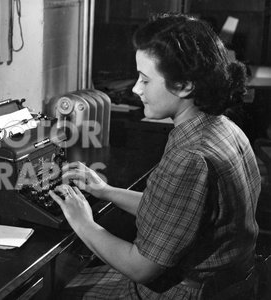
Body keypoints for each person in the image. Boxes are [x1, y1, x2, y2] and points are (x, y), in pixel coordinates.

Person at [49, 13, 261, 299]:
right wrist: (106, 191)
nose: (136, 89)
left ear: (185, 85)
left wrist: (83, 221)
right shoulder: (223, 127)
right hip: (233, 285)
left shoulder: (191, 156)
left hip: (187, 292)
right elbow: (176, 212)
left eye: (145, 80)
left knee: (59, 290)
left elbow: (140, 268)